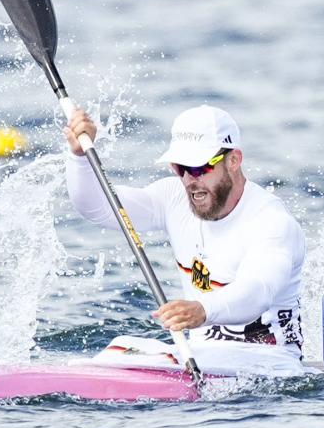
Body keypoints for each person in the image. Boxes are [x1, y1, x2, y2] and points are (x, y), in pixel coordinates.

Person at [62, 102, 306, 353]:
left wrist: (203, 310)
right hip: (203, 358)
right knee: (119, 348)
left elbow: (258, 291)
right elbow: (97, 208)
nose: (190, 180)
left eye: (200, 167)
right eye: (181, 168)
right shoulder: (173, 199)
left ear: (233, 160)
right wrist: (79, 157)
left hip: (271, 364)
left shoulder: (271, 222)